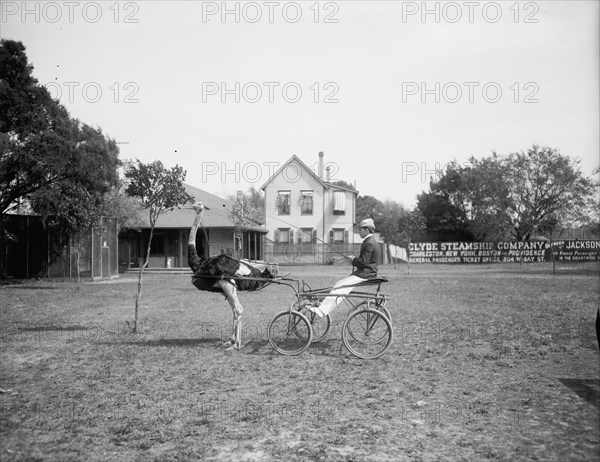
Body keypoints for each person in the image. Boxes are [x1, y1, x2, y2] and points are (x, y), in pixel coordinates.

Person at [307, 218, 380, 318]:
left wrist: (353, 260)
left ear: (367, 230)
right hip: (366, 272)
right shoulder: (370, 241)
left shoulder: (369, 243)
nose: (359, 231)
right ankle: (323, 308)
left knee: (340, 287)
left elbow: (363, 262)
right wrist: (354, 259)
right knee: (339, 284)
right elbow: (365, 261)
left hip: (366, 273)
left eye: (361, 229)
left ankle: (322, 310)